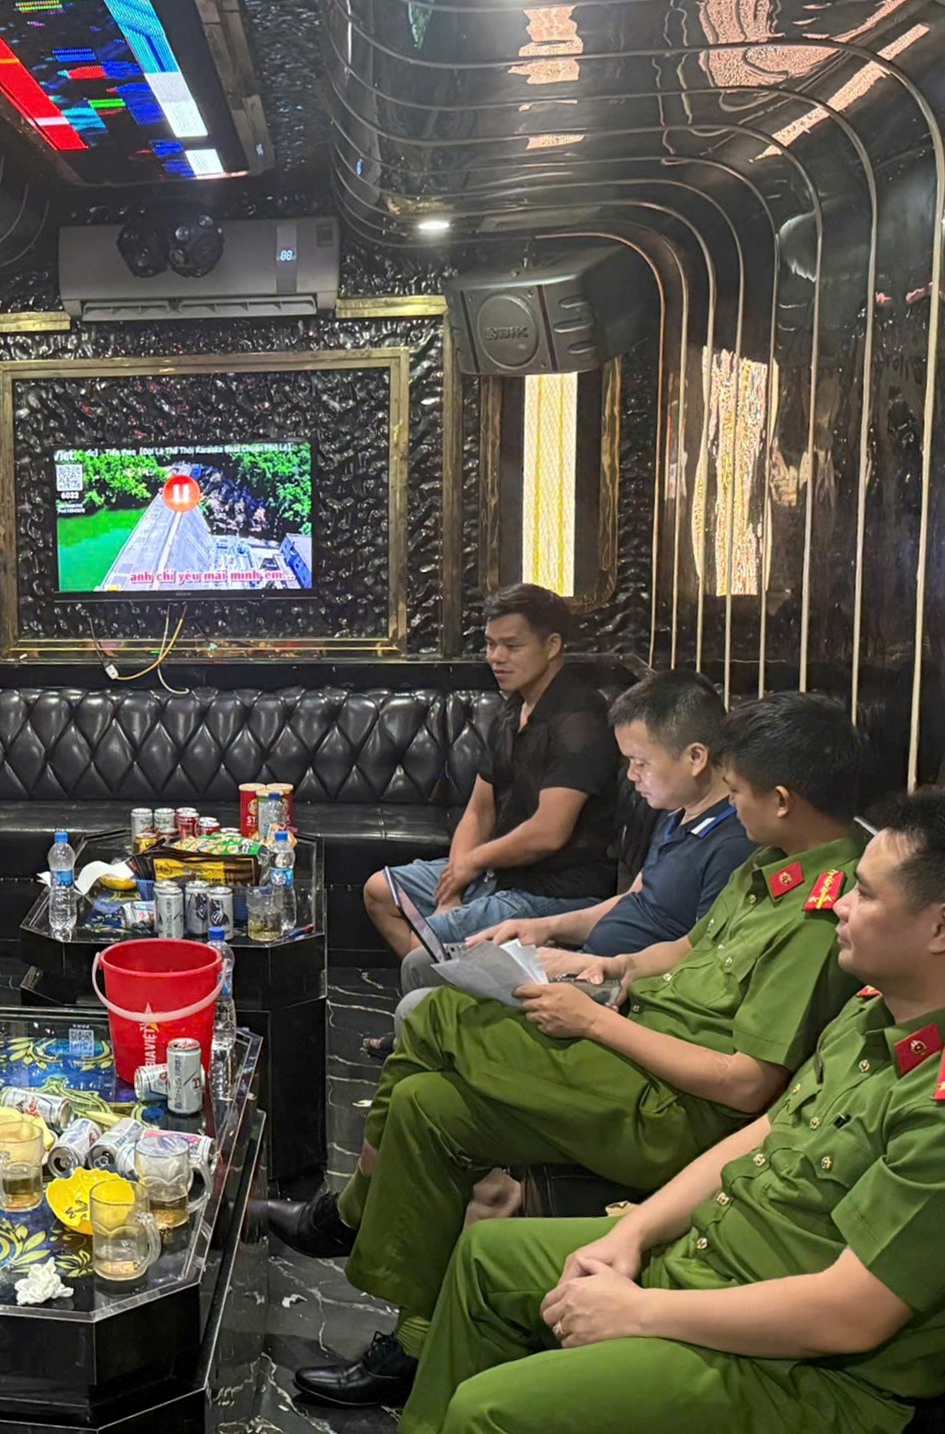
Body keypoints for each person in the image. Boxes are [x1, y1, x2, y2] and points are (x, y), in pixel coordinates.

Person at [405, 788, 945, 1434]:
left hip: (796, 1376)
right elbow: (765, 1130)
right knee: (487, 1258)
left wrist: (639, 1311)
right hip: (711, 1261)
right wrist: (631, 1233)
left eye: (867, 894)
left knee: (489, 1412)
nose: (841, 903)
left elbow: (847, 1317)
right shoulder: (881, 1010)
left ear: (942, 927)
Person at [273, 690, 867, 1408]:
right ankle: (414, 1343)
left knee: (440, 1017)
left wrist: (593, 1023)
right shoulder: (770, 862)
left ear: (783, 800)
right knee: (427, 1106)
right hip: (632, 1051)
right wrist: (610, 967)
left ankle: (352, 1213)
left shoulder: (822, 911)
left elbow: (747, 1084)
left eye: (737, 792)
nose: (729, 803)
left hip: (672, 1106)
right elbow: (689, 947)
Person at [377, 669, 756, 1047]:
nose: (632, 776)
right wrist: (543, 928)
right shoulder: (678, 813)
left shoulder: (733, 846)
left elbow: (701, 960)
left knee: (417, 1008)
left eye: (641, 763)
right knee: (421, 964)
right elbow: (632, 899)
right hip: (587, 965)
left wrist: (595, 969)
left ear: (695, 757)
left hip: (616, 994)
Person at [363, 584, 622, 1055]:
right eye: (490, 644)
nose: (496, 657)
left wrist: (472, 865)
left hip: (555, 889)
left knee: (433, 940)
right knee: (380, 892)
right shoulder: (512, 709)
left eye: (511, 646)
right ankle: (438, 1014)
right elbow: (480, 808)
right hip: (501, 873)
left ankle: (428, 1034)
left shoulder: (579, 720)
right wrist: (455, 882)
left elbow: (548, 833)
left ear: (552, 645)